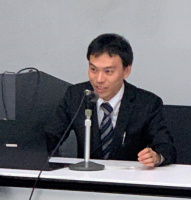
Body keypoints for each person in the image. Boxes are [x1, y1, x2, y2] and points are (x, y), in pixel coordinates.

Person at [45, 33, 176, 167]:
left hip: (128, 181)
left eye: (108, 72)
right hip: (87, 179)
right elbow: (50, 137)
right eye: (93, 69)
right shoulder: (76, 95)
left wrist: (157, 157)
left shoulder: (147, 103)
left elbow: (166, 146)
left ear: (126, 71)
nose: (99, 79)